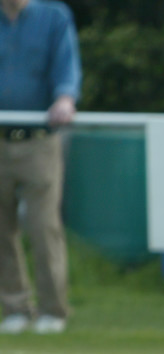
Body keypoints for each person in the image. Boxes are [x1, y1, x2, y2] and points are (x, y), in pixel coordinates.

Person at [0, 0, 81, 334]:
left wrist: (65, 97)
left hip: (38, 140)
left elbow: (67, 66)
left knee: (43, 226)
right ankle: (15, 308)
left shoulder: (54, 17)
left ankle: (53, 311)